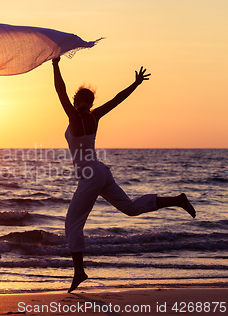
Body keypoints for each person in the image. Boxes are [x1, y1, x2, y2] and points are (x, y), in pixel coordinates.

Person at [51, 57, 196, 293]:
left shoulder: (76, 117)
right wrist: (136, 84)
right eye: (80, 100)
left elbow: (60, 90)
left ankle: (79, 271)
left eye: (83, 100)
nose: (80, 103)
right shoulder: (94, 117)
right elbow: (117, 99)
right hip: (100, 172)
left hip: (91, 174)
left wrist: (55, 65)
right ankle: (177, 200)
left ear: (83, 102)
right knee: (130, 208)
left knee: (72, 223)